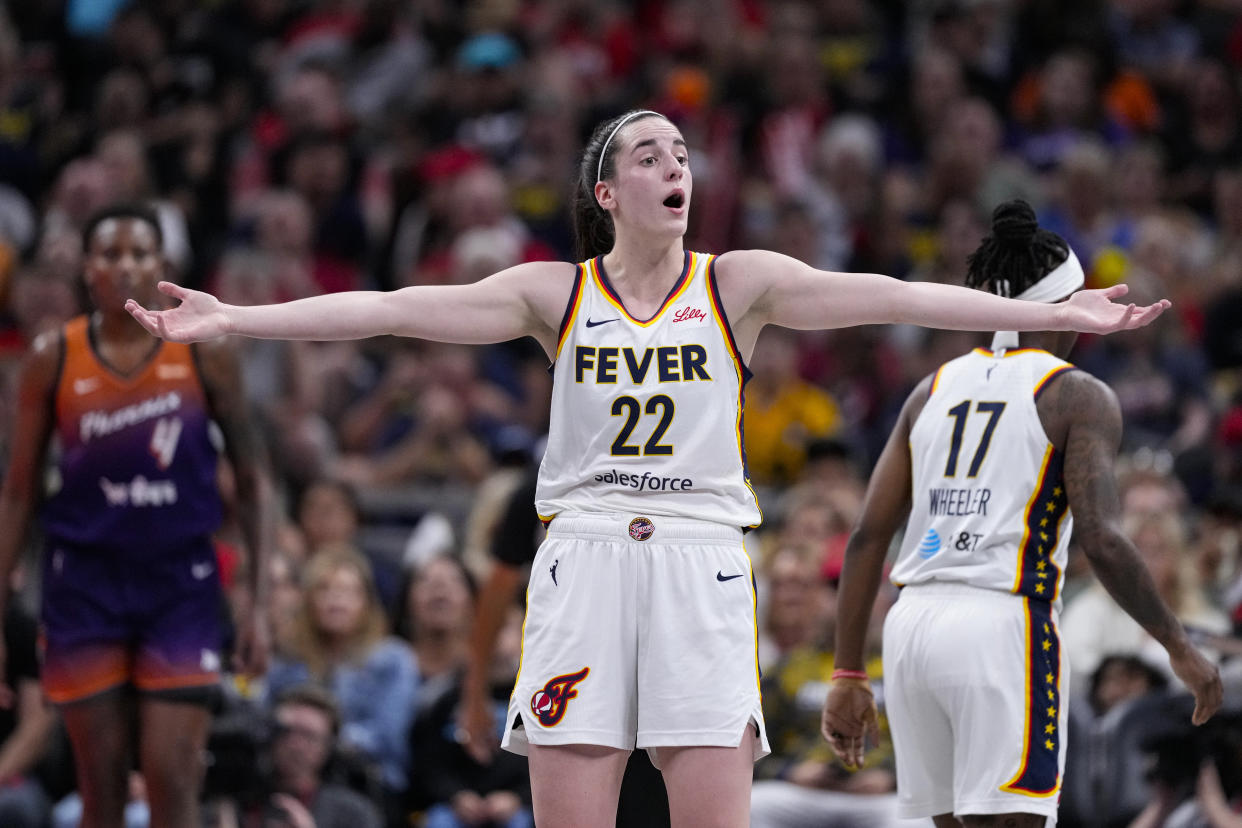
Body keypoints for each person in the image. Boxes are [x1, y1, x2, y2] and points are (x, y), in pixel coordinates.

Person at [128, 110, 1172, 828]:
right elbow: (392, 310)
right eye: (649, 153)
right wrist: (235, 319)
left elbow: (895, 294)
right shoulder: (554, 293)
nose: (677, 165)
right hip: (582, 558)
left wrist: (1049, 313)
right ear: (606, 188)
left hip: (700, 561)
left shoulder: (743, 284)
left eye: (682, 151)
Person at [821, 199, 1223, 828]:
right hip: (999, 622)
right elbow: (1103, 538)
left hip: (911, 630)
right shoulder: (1077, 395)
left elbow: (869, 535)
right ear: (1067, 307)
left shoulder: (930, 389)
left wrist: (848, 670)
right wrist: (1178, 644)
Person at [0, 202, 276, 828]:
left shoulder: (207, 355)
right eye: (109, 253)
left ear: (163, 266)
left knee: (172, 784)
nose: (124, 265)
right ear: (86, 268)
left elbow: (255, 483)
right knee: (100, 792)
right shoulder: (52, 357)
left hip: (180, 582)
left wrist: (259, 604)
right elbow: (18, 494)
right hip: (84, 584)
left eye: (139, 253)